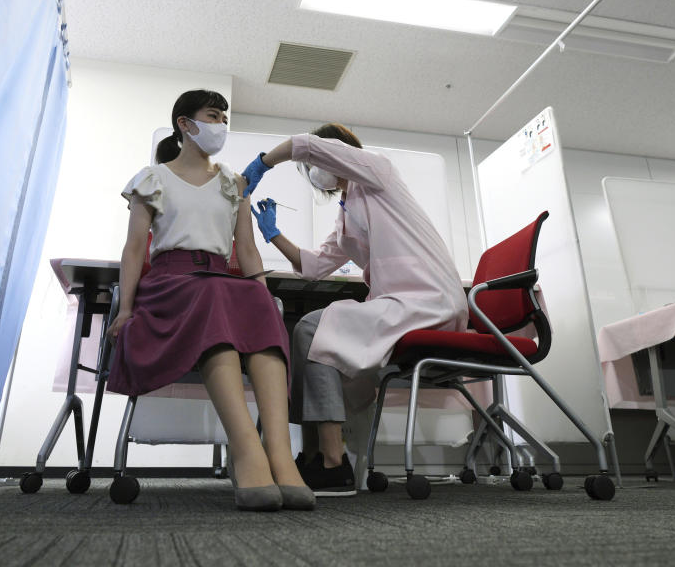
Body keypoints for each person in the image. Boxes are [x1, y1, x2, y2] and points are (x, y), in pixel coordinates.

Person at [107, 90, 313, 511]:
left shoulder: (233, 184)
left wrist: (264, 295)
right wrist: (126, 310)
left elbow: (247, 251)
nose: (220, 125)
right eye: (212, 116)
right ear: (185, 124)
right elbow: (133, 250)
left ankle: (279, 454)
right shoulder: (153, 179)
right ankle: (246, 451)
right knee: (217, 294)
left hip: (218, 278)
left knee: (263, 305)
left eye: (223, 118)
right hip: (172, 283)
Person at [241, 124, 467, 496]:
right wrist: (273, 233)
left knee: (314, 331)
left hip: (428, 299)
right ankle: (313, 456)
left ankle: (334, 462)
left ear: (342, 152)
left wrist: (263, 164)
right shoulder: (348, 214)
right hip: (402, 304)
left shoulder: (378, 173)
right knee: (305, 331)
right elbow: (315, 266)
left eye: (327, 154)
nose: (316, 169)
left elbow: (307, 145)